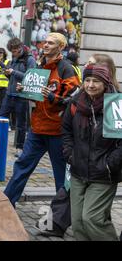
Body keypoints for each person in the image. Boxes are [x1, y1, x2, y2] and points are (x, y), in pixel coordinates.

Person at [4, 33, 80, 207]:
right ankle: (6, 204)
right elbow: (36, 94)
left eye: (51, 43)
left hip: (57, 132)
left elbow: (75, 99)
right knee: (21, 166)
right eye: (45, 42)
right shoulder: (40, 65)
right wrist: (25, 89)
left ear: (60, 47)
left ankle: (61, 216)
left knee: (60, 176)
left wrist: (55, 97)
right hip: (37, 129)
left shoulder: (66, 69)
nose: (45, 45)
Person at [63, 65, 122, 241]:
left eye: (95, 81)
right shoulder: (76, 103)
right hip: (78, 170)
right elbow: (66, 130)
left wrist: (109, 164)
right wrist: (70, 154)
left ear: (106, 83)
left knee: (93, 219)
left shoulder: (115, 105)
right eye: (87, 80)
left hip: (103, 173)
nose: (90, 85)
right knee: (78, 222)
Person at [0, 38, 37, 157]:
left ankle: (20, 147)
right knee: (0, 118)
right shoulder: (13, 59)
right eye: (12, 51)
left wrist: (13, 72)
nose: (13, 54)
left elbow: (31, 78)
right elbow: (12, 78)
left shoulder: (30, 59)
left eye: (15, 51)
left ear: (21, 47)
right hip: (9, 95)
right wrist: (7, 74)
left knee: (21, 124)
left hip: (22, 96)